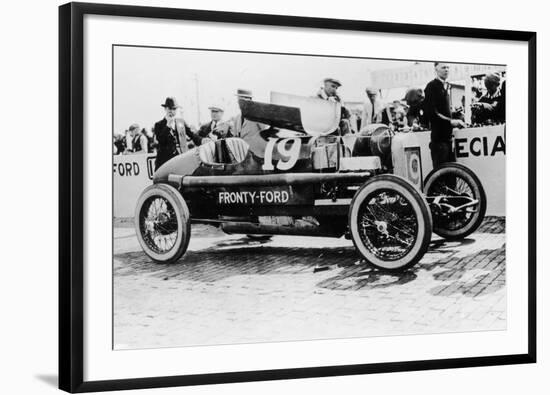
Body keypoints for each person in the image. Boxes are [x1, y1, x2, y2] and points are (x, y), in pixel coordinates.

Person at [423, 62, 465, 167]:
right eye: (443, 67)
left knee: (451, 174)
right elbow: (432, 113)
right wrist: (451, 122)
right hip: (439, 140)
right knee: (441, 175)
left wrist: (456, 114)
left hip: (448, 139)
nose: (446, 70)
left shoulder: (445, 86)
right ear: (436, 69)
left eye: (448, 67)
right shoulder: (431, 86)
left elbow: (443, 111)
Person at [153, 97, 200, 170]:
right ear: (165, 109)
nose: (171, 111)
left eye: (174, 109)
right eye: (169, 108)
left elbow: (192, 135)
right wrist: (168, 125)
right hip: (166, 161)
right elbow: (161, 140)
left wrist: (203, 141)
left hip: (181, 158)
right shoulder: (159, 124)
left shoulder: (181, 122)